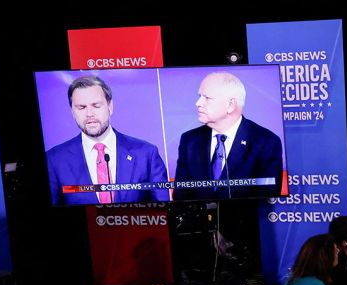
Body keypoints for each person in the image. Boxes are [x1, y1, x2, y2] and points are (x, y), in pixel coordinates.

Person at [45, 75, 170, 205]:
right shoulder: (54, 160)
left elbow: (163, 210)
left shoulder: (146, 154)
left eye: (96, 105)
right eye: (81, 107)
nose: (89, 114)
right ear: (72, 112)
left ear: (110, 107)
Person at [174, 70, 284, 199]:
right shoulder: (190, 140)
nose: (198, 103)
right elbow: (181, 195)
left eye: (207, 98)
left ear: (230, 105)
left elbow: (266, 199)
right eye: (199, 96)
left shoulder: (266, 142)